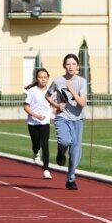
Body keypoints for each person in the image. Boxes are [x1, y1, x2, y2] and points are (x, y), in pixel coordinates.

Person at [46, 54, 88, 190]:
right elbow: (47, 95)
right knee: (64, 141)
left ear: (78, 66)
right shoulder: (58, 81)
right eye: (68, 64)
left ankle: (70, 179)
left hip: (78, 119)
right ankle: (61, 150)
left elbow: (82, 103)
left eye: (73, 64)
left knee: (75, 151)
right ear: (64, 66)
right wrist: (57, 106)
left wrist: (72, 91)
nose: (71, 66)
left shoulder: (81, 81)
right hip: (62, 117)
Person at [23, 67, 53, 180]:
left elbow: (54, 104)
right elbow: (26, 107)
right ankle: (35, 152)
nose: (43, 79)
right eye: (40, 77)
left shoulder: (50, 91)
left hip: (45, 123)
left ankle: (46, 170)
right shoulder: (32, 91)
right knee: (36, 144)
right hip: (33, 123)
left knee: (45, 145)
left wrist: (57, 109)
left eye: (45, 77)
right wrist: (36, 116)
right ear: (37, 78)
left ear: (48, 78)